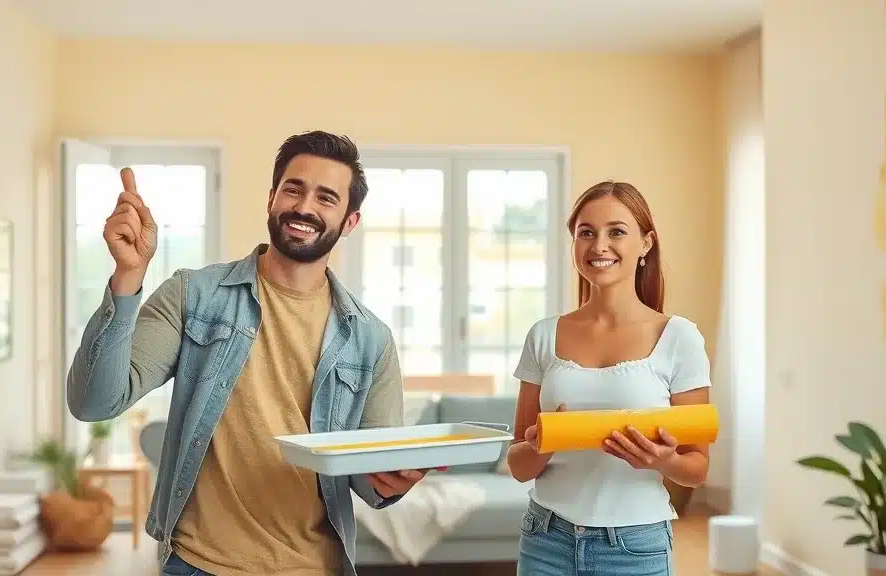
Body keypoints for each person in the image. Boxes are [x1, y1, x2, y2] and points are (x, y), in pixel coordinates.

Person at [67, 131, 431, 576]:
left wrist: (392, 481)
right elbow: (93, 402)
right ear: (272, 198)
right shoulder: (192, 295)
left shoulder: (371, 339)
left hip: (313, 568)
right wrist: (127, 277)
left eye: (326, 197)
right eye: (293, 189)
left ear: (349, 221)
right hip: (198, 564)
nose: (304, 207)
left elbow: (368, 480)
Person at [506, 181, 712, 576]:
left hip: (635, 546)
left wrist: (663, 460)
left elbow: (698, 466)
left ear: (645, 243)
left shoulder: (678, 338)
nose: (599, 245)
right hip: (546, 538)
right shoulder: (543, 335)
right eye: (586, 233)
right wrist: (546, 443)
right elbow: (519, 464)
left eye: (616, 231)